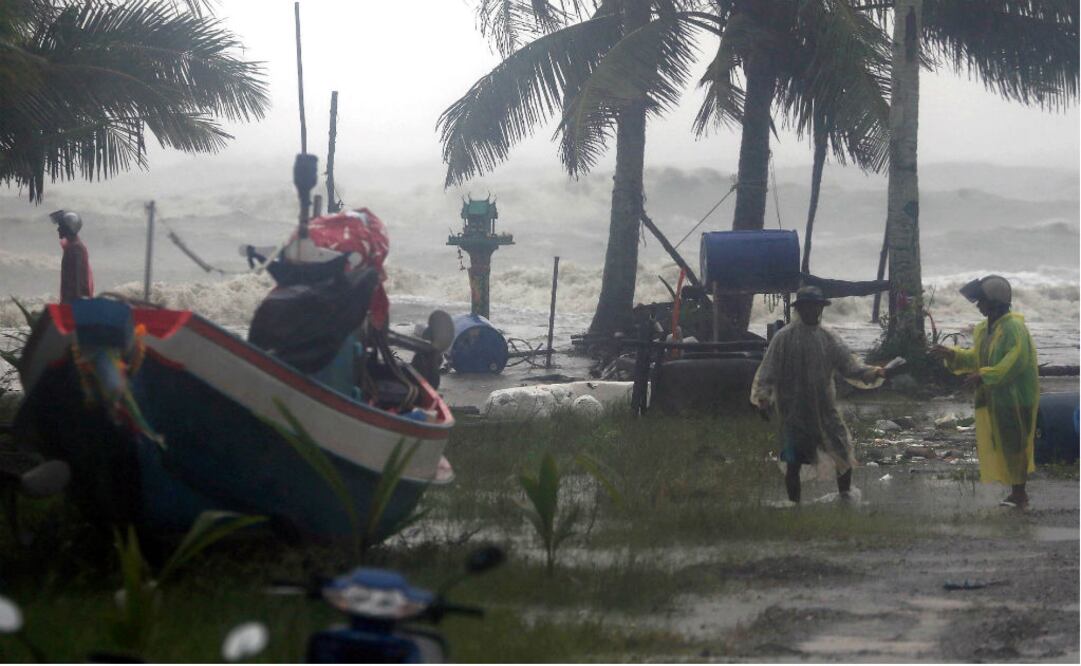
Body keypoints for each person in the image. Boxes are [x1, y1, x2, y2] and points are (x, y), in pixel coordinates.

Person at [751, 286, 885, 504]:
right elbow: (768, 370)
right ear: (800, 309)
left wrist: (872, 372)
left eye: (815, 306)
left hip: (825, 407)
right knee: (793, 460)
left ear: (820, 308)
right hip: (793, 409)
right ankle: (795, 505)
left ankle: (845, 497)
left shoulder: (828, 337)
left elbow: (849, 365)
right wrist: (763, 399)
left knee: (842, 452)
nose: (811, 311)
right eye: (807, 307)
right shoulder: (783, 337)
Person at [930, 275, 1038, 509]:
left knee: (1016, 445)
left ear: (996, 302)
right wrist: (952, 354)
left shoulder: (1013, 328)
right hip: (996, 397)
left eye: (982, 301)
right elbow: (976, 358)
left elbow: (1015, 362)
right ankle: (1016, 493)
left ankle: (1020, 494)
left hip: (1017, 398)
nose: (978, 306)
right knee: (1005, 444)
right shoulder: (985, 330)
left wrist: (985, 375)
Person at [50, 209, 94, 303]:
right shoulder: (71, 246)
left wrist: (79, 303)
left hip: (74, 301)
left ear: (68, 228)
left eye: (61, 226)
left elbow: (81, 278)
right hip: (69, 300)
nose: (58, 229)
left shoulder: (76, 248)